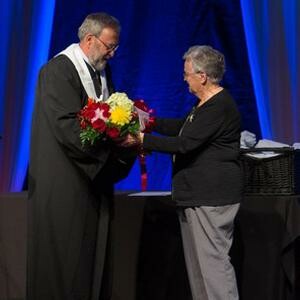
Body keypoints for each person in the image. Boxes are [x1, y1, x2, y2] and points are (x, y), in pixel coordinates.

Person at [27, 13, 136, 300]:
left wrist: (124, 139)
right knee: (65, 262)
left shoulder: (100, 70)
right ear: (89, 39)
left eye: (115, 48)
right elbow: (67, 127)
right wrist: (110, 156)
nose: (113, 54)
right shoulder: (58, 71)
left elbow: (107, 116)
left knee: (91, 260)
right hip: (65, 179)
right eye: (109, 46)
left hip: (90, 179)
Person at [125, 45, 243, 300]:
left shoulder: (219, 106)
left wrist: (142, 139)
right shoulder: (204, 105)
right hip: (196, 195)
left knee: (213, 267)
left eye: (187, 73)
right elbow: (183, 128)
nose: (184, 78)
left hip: (211, 196)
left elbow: (184, 144)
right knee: (199, 270)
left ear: (202, 76)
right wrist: (151, 122)